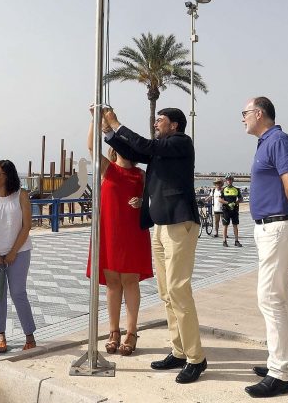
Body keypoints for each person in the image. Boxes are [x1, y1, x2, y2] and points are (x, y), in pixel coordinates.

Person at [101, 105, 207, 385]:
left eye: (161, 119)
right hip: (160, 224)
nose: (156, 122)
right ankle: (179, 350)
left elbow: (144, 145)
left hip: (179, 222)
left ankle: (196, 358)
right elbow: (135, 152)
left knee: (178, 289)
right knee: (166, 292)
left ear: (174, 125)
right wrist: (109, 133)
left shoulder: (181, 142)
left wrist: (117, 122)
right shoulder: (160, 148)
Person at [241, 97, 288, 398]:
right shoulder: (266, 141)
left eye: (245, 113)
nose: (242, 118)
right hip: (273, 227)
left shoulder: (278, 140)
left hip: (278, 227)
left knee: (269, 298)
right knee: (282, 297)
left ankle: (279, 373)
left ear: (259, 113)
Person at [86, 115, 153, 356]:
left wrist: (143, 202)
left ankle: (131, 332)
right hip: (109, 230)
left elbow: (153, 201)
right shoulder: (108, 169)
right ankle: (113, 331)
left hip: (133, 232)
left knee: (130, 281)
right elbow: (92, 146)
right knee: (112, 282)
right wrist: (95, 118)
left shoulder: (142, 175)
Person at [0, 159, 37, 353]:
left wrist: (12, 252)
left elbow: (26, 226)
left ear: (8, 175)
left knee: (18, 292)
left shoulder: (21, 196)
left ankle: (29, 335)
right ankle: (1, 335)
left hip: (19, 251)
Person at [221, 176, 243, 247]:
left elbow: (241, 199)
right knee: (225, 226)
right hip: (226, 210)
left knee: (235, 225)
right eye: (227, 180)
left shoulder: (236, 189)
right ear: (226, 181)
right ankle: (224, 241)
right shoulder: (223, 189)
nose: (229, 181)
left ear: (232, 181)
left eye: (230, 180)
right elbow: (220, 200)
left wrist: (235, 203)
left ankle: (236, 241)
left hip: (234, 210)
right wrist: (227, 203)